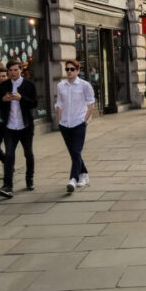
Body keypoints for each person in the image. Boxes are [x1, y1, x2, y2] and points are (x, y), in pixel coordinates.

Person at [0, 60, 37, 198]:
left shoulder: (29, 84)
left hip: (25, 126)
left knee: (28, 153)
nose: (13, 73)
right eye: (10, 70)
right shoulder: (4, 85)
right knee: (9, 156)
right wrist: (3, 100)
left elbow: (34, 103)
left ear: (21, 70)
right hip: (10, 127)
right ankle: (8, 186)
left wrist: (21, 98)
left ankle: (29, 178)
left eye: (15, 70)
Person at [55, 59, 96, 193]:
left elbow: (91, 105)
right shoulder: (61, 85)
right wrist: (59, 119)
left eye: (72, 69)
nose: (69, 72)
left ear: (78, 71)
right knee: (73, 153)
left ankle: (73, 179)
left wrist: (84, 120)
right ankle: (84, 174)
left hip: (79, 123)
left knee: (76, 151)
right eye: (67, 69)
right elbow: (59, 103)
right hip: (64, 124)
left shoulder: (85, 85)